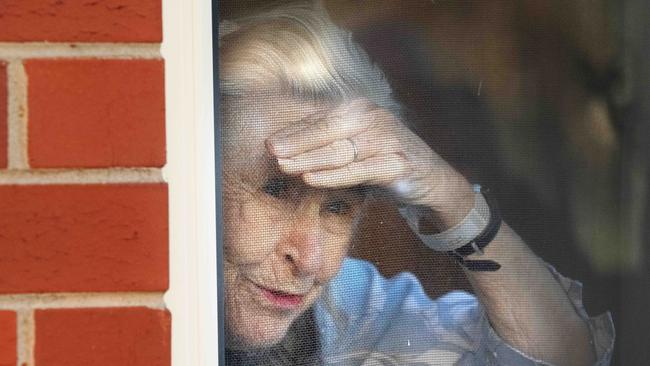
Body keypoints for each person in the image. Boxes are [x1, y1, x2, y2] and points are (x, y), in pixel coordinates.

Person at [219, 2, 614, 365]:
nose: (310, 260)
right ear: (201, 171)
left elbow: (564, 358)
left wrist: (450, 196)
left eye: (338, 206)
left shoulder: (348, 309)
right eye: (274, 190)